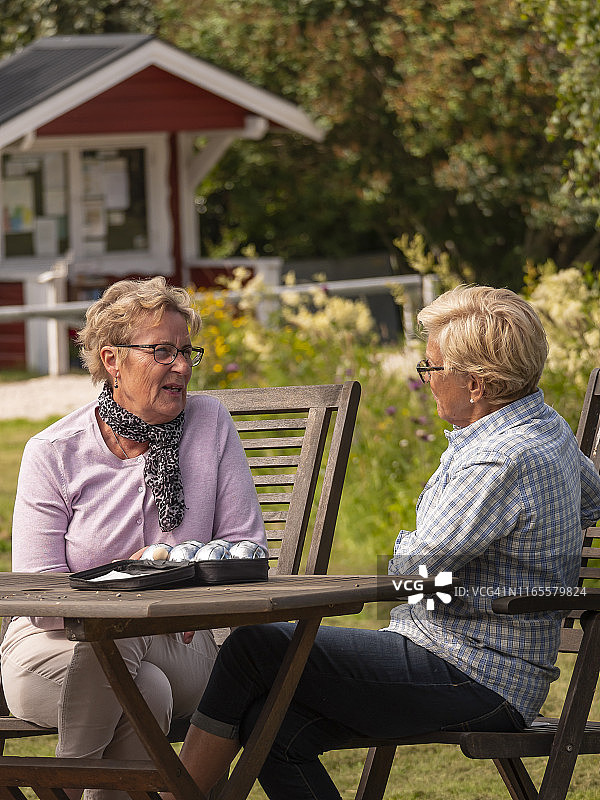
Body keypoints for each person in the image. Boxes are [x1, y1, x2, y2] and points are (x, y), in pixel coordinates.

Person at [166, 285, 600, 800]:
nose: (427, 379)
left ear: (477, 383)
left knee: (254, 647)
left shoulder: (498, 460)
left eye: (433, 368)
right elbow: (589, 502)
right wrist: (498, 576)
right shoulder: (543, 427)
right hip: (482, 663)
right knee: (271, 724)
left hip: (473, 674)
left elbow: (408, 572)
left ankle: (175, 796)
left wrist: (446, 582)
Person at [0, 276, 266, 800]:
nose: (183, 367)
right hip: (48, 649)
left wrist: (161, 580)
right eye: (163, 351)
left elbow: (245, 550)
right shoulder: (53, 451)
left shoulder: (209, 424)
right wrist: (127, 584)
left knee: (132, 650)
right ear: (112, 359)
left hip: (182, 643)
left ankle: (67, 788)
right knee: (145, 689)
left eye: (187, 351)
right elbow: (41, 600)